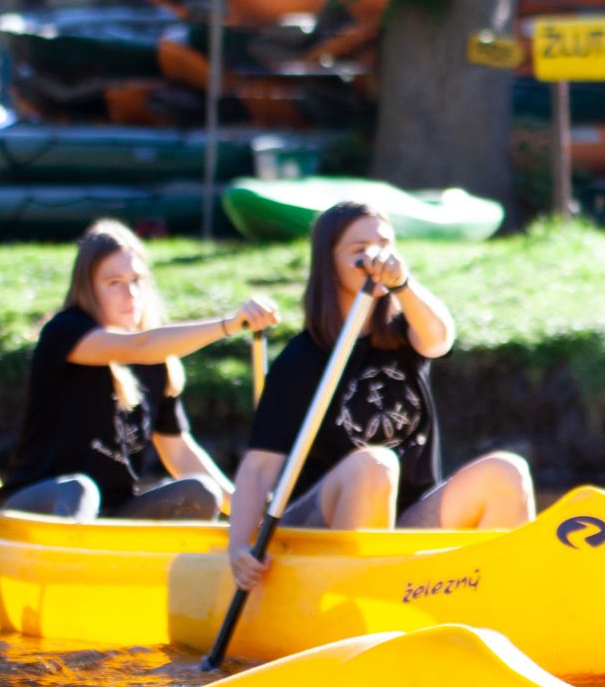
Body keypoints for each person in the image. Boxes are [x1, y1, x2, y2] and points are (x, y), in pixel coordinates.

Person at [227, 200, 534, 590]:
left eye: (384, 245)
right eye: (359, 251)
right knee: (375, 465)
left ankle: (505, 598)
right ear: (330, 264)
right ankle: (359, 600)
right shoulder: (301, 359)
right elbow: (259, 468)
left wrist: (403, 285)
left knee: (506, 472)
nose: (376, 257)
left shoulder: (407, 330)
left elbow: (440, 340)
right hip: (318, 535)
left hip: (403, 528)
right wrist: (239, 546)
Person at [0, 220, 280, 521]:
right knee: (79, 490)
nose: (130, 294)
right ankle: (68, 562)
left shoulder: (158, 364)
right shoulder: (65, 332)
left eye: (136, 280)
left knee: (200, 492)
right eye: (114, 283)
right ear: (88, 289)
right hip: (34, 506)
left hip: (112, 514)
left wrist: (246, 509)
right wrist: (228, 325)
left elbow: (179, 453)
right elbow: (138, 346)